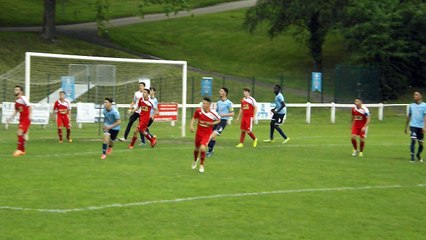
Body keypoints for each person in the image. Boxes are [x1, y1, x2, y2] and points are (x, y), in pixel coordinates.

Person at [190, 97, 221, 173]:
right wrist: (191, 126)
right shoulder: (198, 111)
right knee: (196, 148)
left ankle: (201, 164)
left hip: (207, 134)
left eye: (204, 103)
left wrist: (211, 123)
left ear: (209, 104)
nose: (203, 104)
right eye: (202, 103)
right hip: (198, 133)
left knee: (203, 148)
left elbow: (219, 120)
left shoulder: (213, 113)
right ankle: (195, 160)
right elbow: (194, 118)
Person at [207, 87, 234, 157]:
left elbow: (232, 113)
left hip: (222, 122)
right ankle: (210, 151)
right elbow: (216, 112)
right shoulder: (218, 102)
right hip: (216, 121)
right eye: (220, 91)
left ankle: (206, 147)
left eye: (221, 91)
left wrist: (224, 115)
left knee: (212, 135)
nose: (220, 92)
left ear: (225, 93)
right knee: (212, 137)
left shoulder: (229, 103)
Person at [7, 85, 32, 157]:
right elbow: (16, 111)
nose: (15, 91)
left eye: (17, 90)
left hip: (26, 119)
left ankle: (19, 150)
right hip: (21, 120)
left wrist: (30, 115)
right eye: (15, 90)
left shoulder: (23, 98)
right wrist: (10, 118)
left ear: (21, 92)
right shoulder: (17, 101)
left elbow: (30, 106)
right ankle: (23, 151)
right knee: (22, 135)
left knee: (19, 132)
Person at [405, 92, 426, 162]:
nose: (414, 96)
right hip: (413, 126)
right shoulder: (411, 105)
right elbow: (409, 116)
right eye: (414, 95)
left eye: (416, 95)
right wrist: (406, 126)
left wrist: (424, 126)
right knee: (413, 140)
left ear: (420, 96)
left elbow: (425, 117)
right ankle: (412, 157)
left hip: (421, 127)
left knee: (421, 144)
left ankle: (418, 154)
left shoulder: (424, 105)